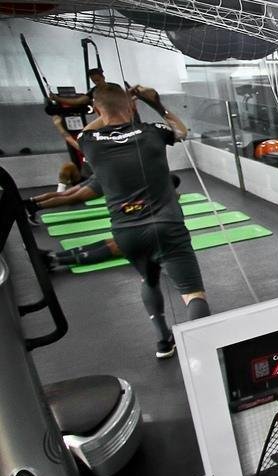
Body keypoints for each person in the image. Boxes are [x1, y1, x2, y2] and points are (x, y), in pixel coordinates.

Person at [76, 83, 210, 359]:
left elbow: (95, 122)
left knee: (149, 280)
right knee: (193, 295)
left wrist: (109, 107)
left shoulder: (88, 141)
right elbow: (181, 131)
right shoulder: (152, 132)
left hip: (127, 232)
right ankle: (199, 354)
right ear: (131, 106)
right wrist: (155, 103)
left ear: (96, 109)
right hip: (166, 226)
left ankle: (163, 341)